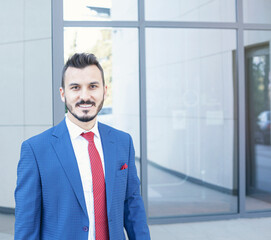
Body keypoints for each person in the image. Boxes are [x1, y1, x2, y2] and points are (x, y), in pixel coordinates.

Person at [14, 53, 151, 240]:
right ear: (63, 94)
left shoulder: (122, 142)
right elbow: (26, 225)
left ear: (105, 90)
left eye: (93, 86)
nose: (85, 96)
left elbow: (133, 207)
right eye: (75, 87)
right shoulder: (36, 150)